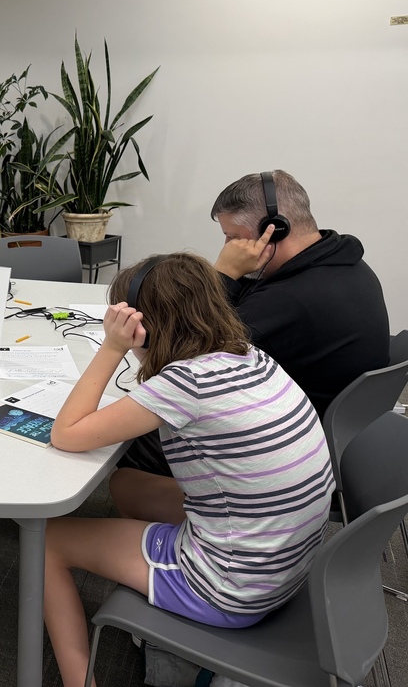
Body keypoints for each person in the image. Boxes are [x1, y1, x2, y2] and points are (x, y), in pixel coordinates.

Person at [44, 253, 335, 687]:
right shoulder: (250, 357)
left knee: (47, 542)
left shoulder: (185, 384)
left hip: (233, 586)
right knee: (125, 484)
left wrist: (112, 347)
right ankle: (155, 601)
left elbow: (66, 433)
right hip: (287, 561)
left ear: (142, 324)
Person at [113, 170, 389, 499]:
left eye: (232, 237)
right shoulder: (342, 263)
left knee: (129, 439)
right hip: (335, 429)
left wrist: (224, 273)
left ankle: (167, 524)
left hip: (282, 450)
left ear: (274, 230)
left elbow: (189, 358)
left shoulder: (291, 300)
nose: (228, 247)